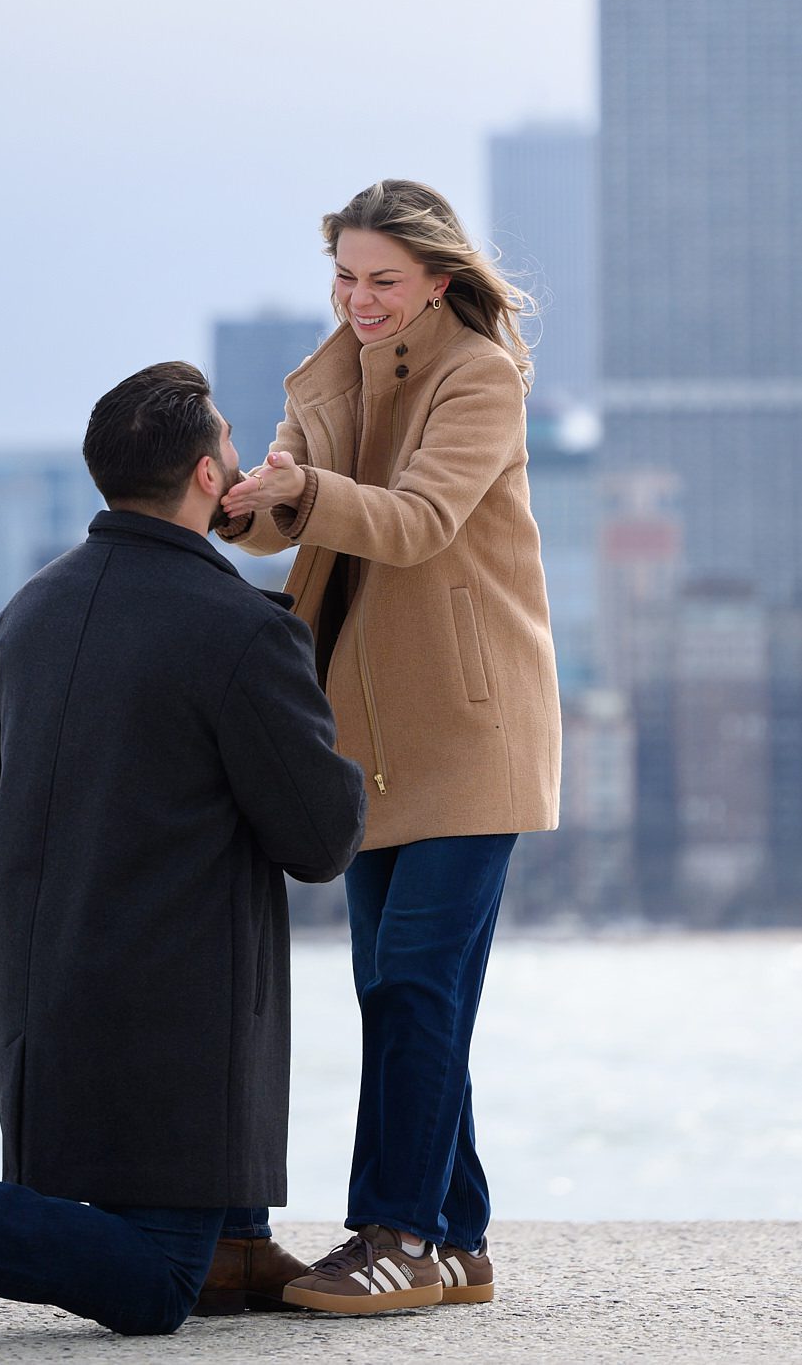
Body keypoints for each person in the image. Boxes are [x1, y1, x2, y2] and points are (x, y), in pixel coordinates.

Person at [0, 362, 367, 1348]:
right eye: (228, 447)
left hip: (36, 989)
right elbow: (319, 841)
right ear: (202, 473)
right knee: (155, 1285)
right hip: (172, 1004)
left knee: (187, 1257)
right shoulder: (242, 631)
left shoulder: (27, 614)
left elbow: (11, 770)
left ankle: (237, 1241)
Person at [218, 180, 561, 1315]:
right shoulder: (326, 375)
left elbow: (414, 522)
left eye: (383, 281)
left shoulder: (481, 378)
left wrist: (303, 490)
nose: (359, 301)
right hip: (357, 734)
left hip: (472, 730)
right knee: (395, 988)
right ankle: (457, 1239)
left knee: (416, 985)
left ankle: (396, 1235)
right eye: (346, 277)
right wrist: (246, 503)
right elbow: (288, 518)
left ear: (438, 282)